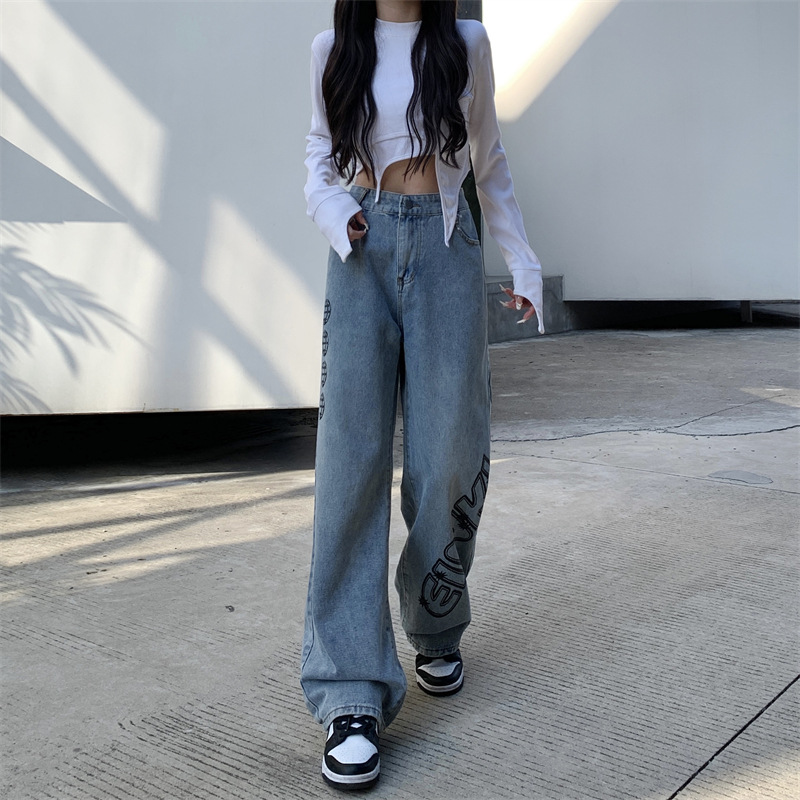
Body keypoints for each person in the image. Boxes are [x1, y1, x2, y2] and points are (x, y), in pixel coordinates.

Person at [301, 0, 544, 789]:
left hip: (447, 250)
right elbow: (317, 158)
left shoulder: (467, 42)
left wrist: (522, 261)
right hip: (361, 256)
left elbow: (489, 159)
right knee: (351, 466)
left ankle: (436, 620)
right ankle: (349, 691)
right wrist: (336, 211)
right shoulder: (334, 48)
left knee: (450, 458)